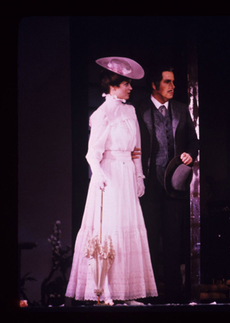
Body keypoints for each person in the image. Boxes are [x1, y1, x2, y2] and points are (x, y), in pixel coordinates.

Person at [66, 57, 157, 305]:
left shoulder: (130, 110)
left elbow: (136, 148)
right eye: (126, 84)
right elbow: (92, 153)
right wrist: (99, 175)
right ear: (114, 85)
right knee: (110, 231)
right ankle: (104, 291)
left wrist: (139, 176)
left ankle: (126, 293)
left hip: (127, 173)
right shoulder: (101, 114)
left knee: (127, 229)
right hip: (110, 176)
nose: (130, 88)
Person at [132, 65, 199, 303]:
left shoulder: (181, 109)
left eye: (173, 82)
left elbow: (193, 141)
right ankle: (148, 292)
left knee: (173, 239)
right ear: (154, 85)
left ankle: (173, 294)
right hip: (149, 185)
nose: (172, 87)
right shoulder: (138, 109)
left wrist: (191, 154)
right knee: (149, 238)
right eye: (167, 82)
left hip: (174, 186)